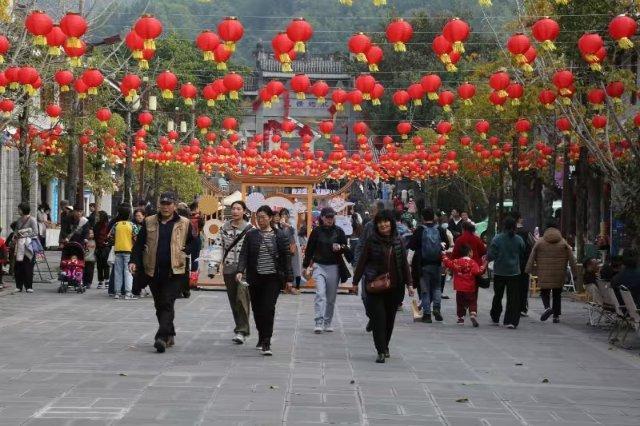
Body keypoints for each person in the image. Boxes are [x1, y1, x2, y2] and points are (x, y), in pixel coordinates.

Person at [130, 192, 193, 353]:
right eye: (163, 204)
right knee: (160, 304)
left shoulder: (185, 222)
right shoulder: (149, 221)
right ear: (159, 205)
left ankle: (161, 337)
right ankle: (169, 333)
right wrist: (134, 261)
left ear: (175, 205)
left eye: (169, 204)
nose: (165, 207)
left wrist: (187, 250)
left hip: (175, 271)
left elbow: (195, 242)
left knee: (166, 301)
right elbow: (139, 244)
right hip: (153, 270)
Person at [352, 209, 413, 363]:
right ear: (376, 225)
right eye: (380, 222)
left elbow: (404, 264)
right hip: (374, 285)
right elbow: (362, 262)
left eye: (386, 221)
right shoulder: (371, 241)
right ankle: (380, 350)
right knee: (379, 318)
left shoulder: (398, 241)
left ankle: (385, 346)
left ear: (391, 223)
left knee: (389, 319)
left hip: (394, 286)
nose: (383, 224)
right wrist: (354, 282)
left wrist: (410, 284)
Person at [236, 205, 293, 356]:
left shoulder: (280, 236)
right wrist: (240, 270)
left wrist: (289, 278)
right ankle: (261, 336)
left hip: (273, 278)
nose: (260, 220)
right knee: (257, 309)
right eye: (258, 217)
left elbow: (287, 257)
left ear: (270, 218)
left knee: (268, 308)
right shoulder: (251, 234)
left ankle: (267, 341)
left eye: (263, 217)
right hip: (255, 277)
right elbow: (244, 254)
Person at [303, 207, 352, 333]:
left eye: (332, 217)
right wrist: (305, 266)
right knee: (320, 294)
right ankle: (318, 322)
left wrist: (341, 247)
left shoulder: (339, 231)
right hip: (319, 266)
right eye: (327, 217)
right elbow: (309, 250)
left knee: (331, 298)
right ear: (322, 217)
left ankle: (327, 321)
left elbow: (346, 247)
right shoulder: (316, 232)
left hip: (334, 267)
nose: (330, 220)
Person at [212, 200, 253, 344]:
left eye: (238, 209)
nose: (235, 211)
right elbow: (217, 247)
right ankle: (240, 326)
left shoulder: (250, 229)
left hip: (245, 270)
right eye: (233, 209)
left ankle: (241, 331)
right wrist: (213, 267)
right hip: (229, 269)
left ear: (244, 211)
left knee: (242, 298)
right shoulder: (224, 228)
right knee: (233, 300)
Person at [525, 220, 577, 323]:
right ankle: (556, 316)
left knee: (545, 292)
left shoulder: (540, 242)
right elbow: (571, 258)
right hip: (559, 273)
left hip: (544, 273)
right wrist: (575, 272)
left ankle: (548, 308)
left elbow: (532, 256)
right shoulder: (563, 242)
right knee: (557, 294)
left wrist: (528, 270)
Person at [408, 207, 449, 323]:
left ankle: (426, 314)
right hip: (437, 263)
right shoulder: (440, 229)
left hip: (423, 264)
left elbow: (411, 246)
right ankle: (436, 308)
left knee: (425, 290)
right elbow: (446, 244)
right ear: (434, 217)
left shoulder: (420, 230)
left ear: (422, 218)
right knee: (437, 287)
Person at [488, 217, 525, 329]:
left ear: (503, 226)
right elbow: (522, 251)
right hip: (514, 272)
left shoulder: (497, 239)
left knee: (498, 295)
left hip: (499, 271)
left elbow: (492, 254)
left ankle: (495, 316)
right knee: (513, 297)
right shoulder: (518, 239)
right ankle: (511, 320)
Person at [443, 244, 486, 327]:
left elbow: (448, 263)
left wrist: (444, 256)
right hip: (470, 287)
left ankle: (460, 319)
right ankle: (473, 313)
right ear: (470, 253)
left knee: (460, 303)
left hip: (459, 288)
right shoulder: (472, 262)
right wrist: (483, 267)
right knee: (472, 302)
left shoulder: (457, 262)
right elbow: (477, 272)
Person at [111, 204, 136, 300]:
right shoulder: (132, 225)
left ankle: (117, 292)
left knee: (118, 272)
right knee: (128, 272)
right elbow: (136, 237)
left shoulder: (116, 225)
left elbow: (110, 236)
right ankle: (128, 293)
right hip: (129, 250)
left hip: (118, 250)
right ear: (129, 214)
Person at [12, 203, 39, 293]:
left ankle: (29, 286)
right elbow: (15, 231)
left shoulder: (32, 220)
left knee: (28, 266)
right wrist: (15, 236)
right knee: (18, 266)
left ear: (23, 210)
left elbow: (35, 232)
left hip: (28, 246)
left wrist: (24, 234)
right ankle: (18, 286)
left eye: (19, 209)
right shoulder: (19, 220)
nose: (18, 211)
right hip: (19, 246)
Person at [512, 212, 534, 317]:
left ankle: (513, 307)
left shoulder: (508, 232)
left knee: (513, 286)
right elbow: (533, 243)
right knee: (523, 285)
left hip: (511, 263)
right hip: (524, 262)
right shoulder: (525, 232)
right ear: (519, 219)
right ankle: (522, 308)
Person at [279, 208, 301, 295]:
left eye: (285, 214)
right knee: (287, 267)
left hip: (293, 247)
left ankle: (298, 286)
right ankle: (287, 287)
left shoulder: (291, 222)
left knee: (296, 267)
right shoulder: (281, 225)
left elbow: (293, 230)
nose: (283, 216)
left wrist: (286, 224)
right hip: (285, 248)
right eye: (282, 215)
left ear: (288, 215)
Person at [93, 211, 111, 290]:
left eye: (98, 216)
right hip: (98, 247)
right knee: (99, 265)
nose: (97, 217)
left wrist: (107, 242)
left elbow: (109, 236)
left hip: (106, 247)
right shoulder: (96, 225)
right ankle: (100, 281)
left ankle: (107, 280)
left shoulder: (107, 225)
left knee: (106, 264)